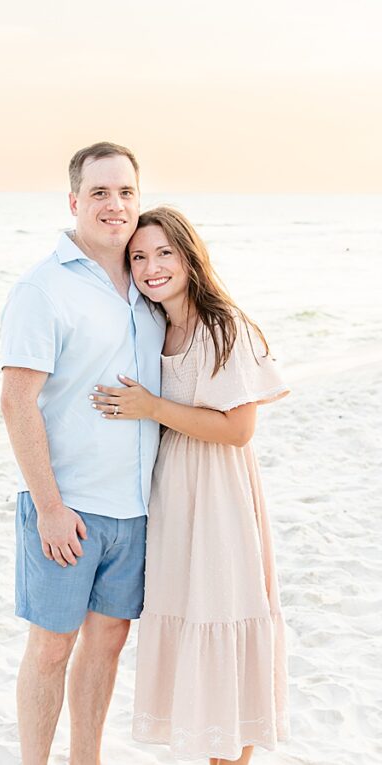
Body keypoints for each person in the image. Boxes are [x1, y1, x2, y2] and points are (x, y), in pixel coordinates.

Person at [89, 207, 289, 763]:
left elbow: (239, 429)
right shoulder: (156, 327)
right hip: (172, 495)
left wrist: (151, 406)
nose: (151, 267)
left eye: (164, 253)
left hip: (219, 494)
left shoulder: (223, 325)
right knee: (193, 619)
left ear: (188, 255)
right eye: (139, 256)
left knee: (225, 616)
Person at [0, 142, 164, 763]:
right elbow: (17, 401)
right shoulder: (43, 288)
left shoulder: (151, 284)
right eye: (99, 192)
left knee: (108, 644)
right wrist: (48, 506)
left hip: (137, 508)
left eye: (125, 192)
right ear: (75, 202)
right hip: (67, 507)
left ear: (138, 200)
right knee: (50, 648)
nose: (114, 204)